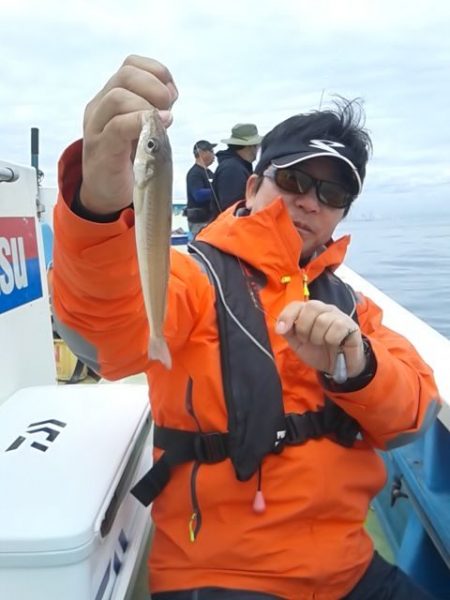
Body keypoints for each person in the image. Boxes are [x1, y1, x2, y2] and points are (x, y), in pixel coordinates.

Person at [51, 55, 441, 600]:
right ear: (253, 185)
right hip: (218, 574)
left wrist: (356, 364)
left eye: (333, 195)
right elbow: (104, 339)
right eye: (296, 179)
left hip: (351, 570)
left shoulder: (353, 308)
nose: (310, 201)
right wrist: (96, 207)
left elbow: (412, 416)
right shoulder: (192, 276)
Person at [210, 122, 262, 218]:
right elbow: (233, 210)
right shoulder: (233, 169)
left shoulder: (235, 166)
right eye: (257, 146)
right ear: (250, 146)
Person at [186, 140, 216, 236]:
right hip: (199, 222)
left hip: (210, 220)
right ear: (201, 152)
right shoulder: (194, 173)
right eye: (211, 151)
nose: (213, 154)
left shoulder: (211, 173)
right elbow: (198, 195)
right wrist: (217, 191)